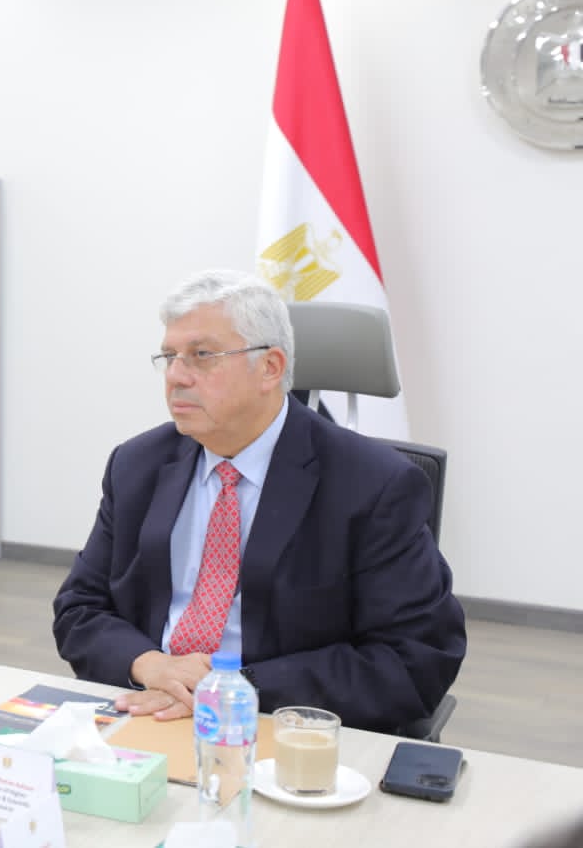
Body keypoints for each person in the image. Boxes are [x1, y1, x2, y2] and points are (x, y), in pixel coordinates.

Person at [52, 269, 465, 734]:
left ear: (270, 367)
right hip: (150, 708)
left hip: (282, 725)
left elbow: (413, 659)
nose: (175, 377)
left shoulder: (374, 484)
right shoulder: (137, 465)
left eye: (201, 355)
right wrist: (151, 665)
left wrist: (231, 689)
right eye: (169, 356)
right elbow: (79, 608)